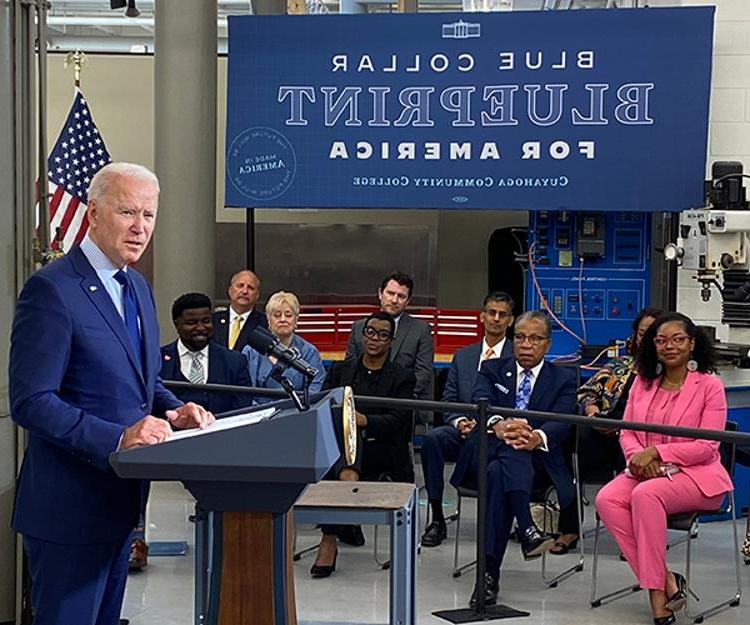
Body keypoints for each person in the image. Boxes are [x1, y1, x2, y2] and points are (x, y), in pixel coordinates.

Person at [9, 163, 214, 625]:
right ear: (93, 213)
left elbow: (141, 383)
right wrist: (119, 438)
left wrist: (175, 410)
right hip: (69, 513)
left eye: (149, 214)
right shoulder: (51, 290)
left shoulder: (138, 286)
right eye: (128, 212)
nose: (141, 227)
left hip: (121, 507)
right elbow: (31, 400)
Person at [596, 312, 732, 625]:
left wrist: (656, 452)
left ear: (692, 344)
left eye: (678, 339)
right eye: (661, 340)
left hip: (697, 477)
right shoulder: (643, 383)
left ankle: (657, 597)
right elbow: (628, 431)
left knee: (646, 496)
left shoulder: (709, 386)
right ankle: (667, 579)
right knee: (607, 499)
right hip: (644, 472)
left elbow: (707, 446)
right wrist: (637, 459)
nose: (669, 346)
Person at [450, 311, 577, 607]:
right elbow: (481, 401)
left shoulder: (563, 377)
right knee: (507, 452)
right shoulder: (492, 369)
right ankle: (526, 526)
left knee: (500, 471)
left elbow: (563, 420)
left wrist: (536, 437)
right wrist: (499, 424)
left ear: (547, 344)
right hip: (487, 452)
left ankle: (488, 575)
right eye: (520, 337)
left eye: (535, 338)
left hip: (537, 464)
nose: (526, 345)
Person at [548, 306, 663, 555]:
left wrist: (624, 429)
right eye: (644, 333)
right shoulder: (620, 365)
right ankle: (569, 528)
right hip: (603, 430)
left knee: (637, 452)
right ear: (635, 337)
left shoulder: (667, 375)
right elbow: (586, 392)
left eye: (655, 334)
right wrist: (592, 411)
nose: (648, 340)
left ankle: (636, 535)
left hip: (640, 439)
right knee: (571, 443)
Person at [310, 311, 416, 578]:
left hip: (382, 449)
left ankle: (330, 539)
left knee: (344, 457)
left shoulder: (402, 376)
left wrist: (364, 420)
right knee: (341, 454)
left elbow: (398, 421)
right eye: (370, 331)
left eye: (382, 334)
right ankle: (338, 530)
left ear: (390, 341)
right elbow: (324, 406)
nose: (374, 339)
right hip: (342, 447)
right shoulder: (340, 369)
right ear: (362, 333)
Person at [421, 291, 516, 547]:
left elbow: (520, 403)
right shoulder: (463, 356)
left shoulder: (518, 357)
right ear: (482, 316)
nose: (496, 319)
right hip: (463, 432)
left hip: (498, 437)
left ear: (510, 320)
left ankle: (506, 519)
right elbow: (448, 399)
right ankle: (437, 518)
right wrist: (459, 421)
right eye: (491, 313)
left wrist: (489, 425)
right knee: (432, 439)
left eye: (502, 314)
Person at [347, 271, 434, 411]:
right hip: (362, 402)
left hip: (403, 404)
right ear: (380, 293)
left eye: (401, 296)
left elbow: (422, 376)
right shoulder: (359, 328)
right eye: (390, 293)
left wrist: (391, 397)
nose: (394, 300)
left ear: (408, 301)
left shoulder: (421, 331)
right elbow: (349, 370)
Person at [161, 292, 254, 415]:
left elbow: (243, 412)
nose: (200, 328)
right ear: (177, 324)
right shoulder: (157, 360)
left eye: (206, 321)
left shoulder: (235, 362)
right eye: (191, 323)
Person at [243, 290, 325, 402]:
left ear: (296, 319)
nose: (283, 319)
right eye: (277, 315)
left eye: (288, 315)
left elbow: (315, 388)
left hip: (297, 414)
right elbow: (245, 391)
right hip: (259, 414)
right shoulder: (251, 351)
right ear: (268, 319)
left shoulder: (309, 352)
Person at [212, 269, 267, 351]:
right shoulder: (213, 320)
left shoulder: (264, 324)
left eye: (250, 288)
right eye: (240, 286)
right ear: (230, 290)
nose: (245, 291)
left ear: (257, 295)